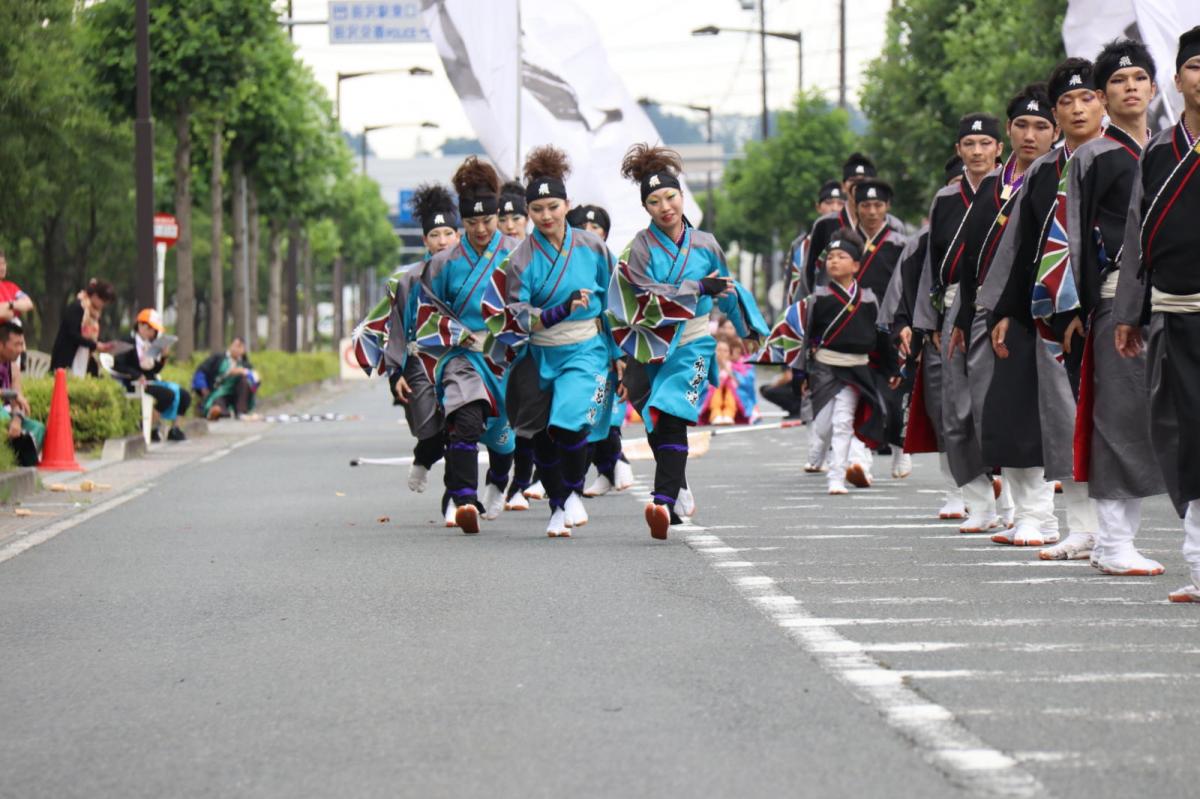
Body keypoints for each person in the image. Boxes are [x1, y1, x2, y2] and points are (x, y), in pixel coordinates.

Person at [609, 143, 768, 540]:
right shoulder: (637, 250)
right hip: (649, 347)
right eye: (654, 201)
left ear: (682, 196)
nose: (665, 206)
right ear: (645, 208)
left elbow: (727, 289)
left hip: (695, 342)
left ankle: (661, 502)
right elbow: (641, 299)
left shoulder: (706, 244)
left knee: (672, 414)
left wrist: (748, 326)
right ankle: (676, 485)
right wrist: (697, 286)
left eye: (671, 196)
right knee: (654, 422)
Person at [985, 57, 1107, 559]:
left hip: (1117, 305)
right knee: (1063, 421)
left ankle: (1115, 533)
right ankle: (1083, 528)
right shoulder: (1042, 173)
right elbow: (1020, 249)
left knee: (1119, 422)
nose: (1078, 109)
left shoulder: (1123, 157)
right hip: (1053, 313)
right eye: (1067, 101)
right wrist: (1005, 311)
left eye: (1087, 98)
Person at [1054, 40, 1166, 575]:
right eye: (1118, 82)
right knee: (1119, 416)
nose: (1130, 88)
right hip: (1113, 295)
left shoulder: (1171, 149)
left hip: (1174, 296)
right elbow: (1072, 235)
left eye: (1139, 78)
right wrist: (1074, 305)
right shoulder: (1092, 155)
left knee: (1166, 418)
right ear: (1102, 96)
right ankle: (1114, 540)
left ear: (1154, 86)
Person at [952, 83, 1061, 547]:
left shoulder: (1062, 174)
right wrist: (961, 320)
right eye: (1021, 125)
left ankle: (1053, 517)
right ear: (1009, 131)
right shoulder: (994, 188)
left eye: (1040, 126)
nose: (1030, 135)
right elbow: (972, 259)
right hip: (998, 316)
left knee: (1053, 416)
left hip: (1053, 308)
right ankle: (1028, 513)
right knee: (1006, 415)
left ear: (1054, 131)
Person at [1114, 25, 1200, 601]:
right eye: (1196, 66)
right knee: (1187, 436)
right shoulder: (1158, 152)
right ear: (1177, 79)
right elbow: (1136, 237)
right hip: (1176, 314)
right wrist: (1128, 310)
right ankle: (1199, 563)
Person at [494, 146, 617, 537]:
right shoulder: (520, 259)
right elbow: (516, 313)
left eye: (553, 206)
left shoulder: (594, 247)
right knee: (539, 433)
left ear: (568, 204)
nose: (546, 216)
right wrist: (556, 311)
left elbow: (614, 303)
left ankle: (574, 492)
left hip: (586, 349)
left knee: (570, 423)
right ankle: (558, 502)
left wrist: (620, 353)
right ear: (529, 213)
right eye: (537, 209)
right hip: (539, 351)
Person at [411, 157, 518, 533]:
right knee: (465, 421)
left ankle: (499, 480)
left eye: (487, 221)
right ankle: (461, 499)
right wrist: (456, 334)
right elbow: (426, 311)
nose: (481, 229)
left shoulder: (518, 252)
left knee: (504, 442)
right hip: (462, 357)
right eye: (471, 224)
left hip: (506, 357)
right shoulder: (443, 264)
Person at [916, 112, 1010, 533]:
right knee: (954, 411)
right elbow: (931, 264)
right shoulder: (945, 199)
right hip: (953, 306)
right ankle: (978, 503)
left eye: (985, 144)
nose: (977, 152)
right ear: (959, 150)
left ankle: (1012, 504)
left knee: (997, 407)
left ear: (998, 148)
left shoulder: (1011, 191)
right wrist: (929, 317)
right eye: (969, 145)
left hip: (999, 306)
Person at [363, 183, 462, 495]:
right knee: (431, 433)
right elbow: (394, 327)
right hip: (419, 363)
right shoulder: (408, 280)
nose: (442, 240)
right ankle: (423, 458)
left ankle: (458, 496)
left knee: (462, 427)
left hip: (462, 358)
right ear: (425, 240)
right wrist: (395, 372)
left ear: (458, 236)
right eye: (435, 235)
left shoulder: (472, 273)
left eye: (448, 233)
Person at [791, 231, 898, 495]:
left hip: (857, 369)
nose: (834, 261)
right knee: (824, 424)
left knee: (843, 422)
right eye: (831, 257)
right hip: (825, 368)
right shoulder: (817, 298)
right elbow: (805, 340)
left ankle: (836, 477)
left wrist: (892, 367)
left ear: (856, 265)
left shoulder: (870, 299)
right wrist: (802, 373)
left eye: (842, 257)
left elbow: (882, 337)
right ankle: (820, 453)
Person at [565, 204, 635, 498]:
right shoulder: (561, 263)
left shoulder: (611, 265)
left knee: (598, 412)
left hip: (601, 345)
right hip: (561, 347)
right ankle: (609, 466)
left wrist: (619, 352)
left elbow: (617, 311)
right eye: (583, 228)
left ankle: (604, 467)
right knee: (584, 414)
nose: (590, 234)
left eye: (597, 229)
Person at [113, 308, 191, 442]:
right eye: (151, 329)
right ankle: (149, 426)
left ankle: (175, 429)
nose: (153, 333)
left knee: (184, 395)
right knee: (168, 395)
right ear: (141, 325)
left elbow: (154, 371)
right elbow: (118, 364)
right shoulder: (127, 341)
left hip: (150, 381)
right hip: (135, 382)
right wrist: (136, 375)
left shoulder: (149, 345)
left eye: (155, 330)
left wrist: (163, 357)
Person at [50, 278, 116, 377]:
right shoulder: (78, 307)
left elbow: (92, 336)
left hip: (85, 356)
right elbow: (73, 334)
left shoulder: (94, 314)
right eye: (103, 301)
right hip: (68, 356)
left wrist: (100, 344)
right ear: (95, 296)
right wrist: (95, 345)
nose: (103, 306)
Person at [0, 321, 43, 467]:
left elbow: (17, 402)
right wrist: (12, 395)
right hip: (1, 414)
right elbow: (15, 395)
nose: (21, 349)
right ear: (1, 345)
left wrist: (17, 420)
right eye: (16, 344)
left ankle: (19, 463)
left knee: (38, 428)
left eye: (22, 344)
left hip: (8, 416)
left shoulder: (13, 367)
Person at [193, 336, 259, 420]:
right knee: (218, 405)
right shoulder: (218, 358)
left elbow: (255, 384)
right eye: (236, 345)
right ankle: (217, 412)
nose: (237, 349)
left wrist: (246, 373)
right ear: (230, 345)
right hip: (219, 391)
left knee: (245, 380)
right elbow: (201, 371)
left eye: (241, 347)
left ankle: (241, 412)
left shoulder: (245, 364)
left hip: (238, 394)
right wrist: (203, 387)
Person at [0, 251, 34, 323]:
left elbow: (28, 303)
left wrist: (10, 305)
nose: (2, 268)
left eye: (3, 263)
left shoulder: (11, 286)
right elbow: (7, 314)